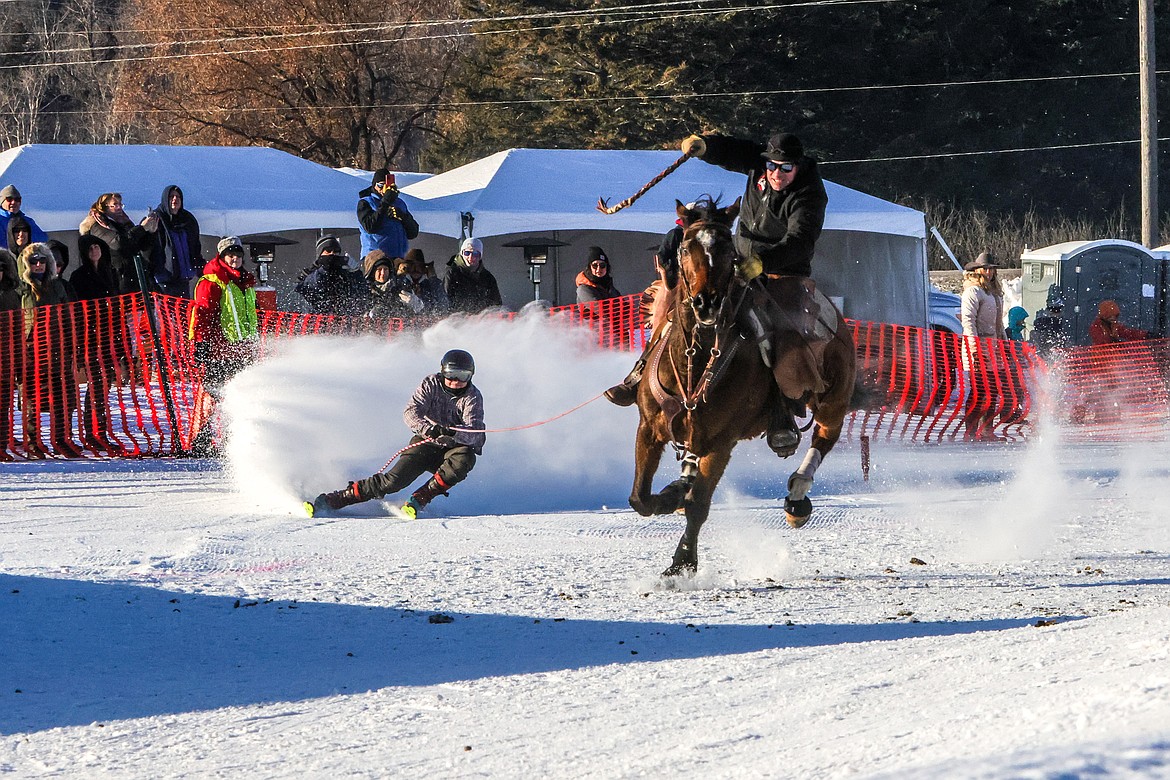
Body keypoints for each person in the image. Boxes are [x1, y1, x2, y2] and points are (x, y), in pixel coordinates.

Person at [306, 349, 486, 519]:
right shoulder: (431, 384)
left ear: (471, 376)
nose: (455, 381)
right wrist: (428, 429)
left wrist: (454, 432)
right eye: (451, 375)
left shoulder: (472, 397)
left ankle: (420, 498)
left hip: (453, 448)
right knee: (393, 482)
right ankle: (335, 499)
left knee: (465, 458)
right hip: (426, 441)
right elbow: (411, 412)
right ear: (442, 372)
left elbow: (476, 432)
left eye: (462, 376)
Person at [187, 236, 259, 456]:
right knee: (212, 396)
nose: (235, 258)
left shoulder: (245, 281)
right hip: (218, 351)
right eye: (230, 255)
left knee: (239, 397)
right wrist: (201, 344)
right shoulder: (213, 281)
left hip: (241, 350)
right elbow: (201, 314)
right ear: (222, 256)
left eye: (238, 255)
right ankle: (200, 440)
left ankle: (232, 439)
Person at [16, 242, 80, 458]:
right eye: (34, 261)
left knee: (64, 396)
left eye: (43, 260)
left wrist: (72, 345)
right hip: (30, 351)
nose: (39, 264)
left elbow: (66, 316)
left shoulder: (56, 286)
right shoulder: (20, 288)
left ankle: (61, 440)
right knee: (33, 399)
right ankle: (32, 443)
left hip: (57, 349)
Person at [71, 235, 125, 455]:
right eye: (90, 247)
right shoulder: (79, 276)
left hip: (110, 335)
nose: (94, 250)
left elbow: (117, 305)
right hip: (89, 338)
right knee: (95, 385)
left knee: (105, 385)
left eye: (97, 246)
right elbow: (77, 312)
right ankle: (91, 433)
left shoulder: (110, 272)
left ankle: (99, 432)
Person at [960, 252, 1006, 441]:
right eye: (985, 268)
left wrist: (1004, 343)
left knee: (993, 390)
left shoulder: (992, 292)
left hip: (994, 347)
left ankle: (987, 430)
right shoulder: (973, 291)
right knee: (979, 391)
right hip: (978, 347)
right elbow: (968, 322)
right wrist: (974, 349)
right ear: (977, 270)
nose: (989, 272)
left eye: (991, 269)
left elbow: (998, 323)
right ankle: (970, 431)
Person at [79, 192, 158, 293]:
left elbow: (140, 246)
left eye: (120, 204)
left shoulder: (124, 223)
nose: (119, 207)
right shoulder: (98, 226)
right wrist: (141, 228)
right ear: (104, 207)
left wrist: (151, 232)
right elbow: (118, 244)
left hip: (136, 277)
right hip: (117, 279)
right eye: (115, 205)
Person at [149, 185, 204, 298]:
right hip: (164, 280)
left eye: (178, 196)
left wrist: (199, 268)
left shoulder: (188, 219)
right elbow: (150, 250)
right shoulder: (156, 219)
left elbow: (195, 247)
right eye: (171, 196)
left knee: (184, 314)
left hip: (184, 278)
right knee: (167, 315)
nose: (175, 199)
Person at [295, 234, 368, 316]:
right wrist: (324, 269)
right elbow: (310, 288)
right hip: (316, 320)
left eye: (336, 251)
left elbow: (362, 294)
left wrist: (356, 273)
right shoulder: (309, 273)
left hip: (343, 321)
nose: (332, 254)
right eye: (328, 251)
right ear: (320, 254)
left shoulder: (345, 273)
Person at [357, 168, 419, 262]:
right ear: (374, 185)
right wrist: (385, 203)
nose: (384, 189)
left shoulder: (399, 203)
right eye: (380, 185)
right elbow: (370, 227)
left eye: (387, 186)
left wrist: (403, 217)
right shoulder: (366, 203)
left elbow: (413, 232)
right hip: (375, 257)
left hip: (398, 258)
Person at [445, 237, 502, 313]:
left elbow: (496, 304)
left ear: (480, 256)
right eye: (467, 253)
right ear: (462, 253)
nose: (470, 257)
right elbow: (446, 300)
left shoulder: (487, 277)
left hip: (481, 321)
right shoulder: (453, 273)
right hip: (458, 320)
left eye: (475, 254)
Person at [0, 247, 21, 460]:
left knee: (3, 407)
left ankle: (1, 445)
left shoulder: (10, 296)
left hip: (5, 361)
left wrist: (18, 360)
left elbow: (17, 330)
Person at [362, 250, 422, 320]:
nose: (383, 273)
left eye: (385, 269)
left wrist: (416, 303)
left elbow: (421, 313)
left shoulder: (400, 285)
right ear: (372, 272)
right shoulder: (364, 289)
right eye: (379, 269)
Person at [0, 185, 49, 250]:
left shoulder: (27, 221)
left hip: (26, 256)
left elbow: (43, 239)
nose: (13, 202)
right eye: (9, 199)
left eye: (17, 199)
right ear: (2, 202)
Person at [403, 248, 449, 316]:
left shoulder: (430, 285)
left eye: (419, 266)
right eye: (412, 266)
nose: (416, 269)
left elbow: (444, 306)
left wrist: (433, 278)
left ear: (424, 268)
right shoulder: (401, 283)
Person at [1029, 288, 1069, 358]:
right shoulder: (1052, 324)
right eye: (1058, 310)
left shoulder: (1042, 322)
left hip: (1044, 355)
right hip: (1047, 356)